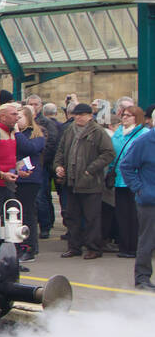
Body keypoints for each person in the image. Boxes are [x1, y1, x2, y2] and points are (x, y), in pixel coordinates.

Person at [56, 104, 116, 259]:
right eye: (76, 115)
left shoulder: (98, 132)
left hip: (91, 183)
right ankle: (74, 247)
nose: (78, 117)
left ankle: (94, 248)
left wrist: (91, 169)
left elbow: (109, 153)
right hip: (71, 182)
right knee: (72, 217)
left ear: (90, 115)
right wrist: (58, 166)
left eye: (81, 115)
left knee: (92, 218)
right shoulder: (69, 130)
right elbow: (61, 151)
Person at [118, 116, 155, 290]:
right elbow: (126, 166)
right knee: (147, 240)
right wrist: (140, 189)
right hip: (149, 200)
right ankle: (142, 278)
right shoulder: (145, 141)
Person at [111, 105, 147, 258]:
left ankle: (135, 247)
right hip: (119, 180)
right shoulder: (118, 133)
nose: (124, 117)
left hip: (136, 181)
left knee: (135, 216)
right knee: (122, 215)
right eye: (123, 115)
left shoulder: (144, 134)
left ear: (136, 118)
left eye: (129, 115)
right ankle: (124, 247)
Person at [14, 104, 46, 263]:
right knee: (16, 214)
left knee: (27, 213)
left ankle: (30, 247)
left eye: (19, 117)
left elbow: (28, 149)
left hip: (30, 179)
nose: (16, 120)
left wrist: (17, 133)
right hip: (15, 177)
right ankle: (18, 245)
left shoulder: (36, 135)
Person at [37, 101, 63, 238]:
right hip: (44, 165)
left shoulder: (46, 124)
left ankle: (46, 225)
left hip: (45, 165)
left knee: (43, 196)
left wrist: (44, 161)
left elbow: (52, 144)